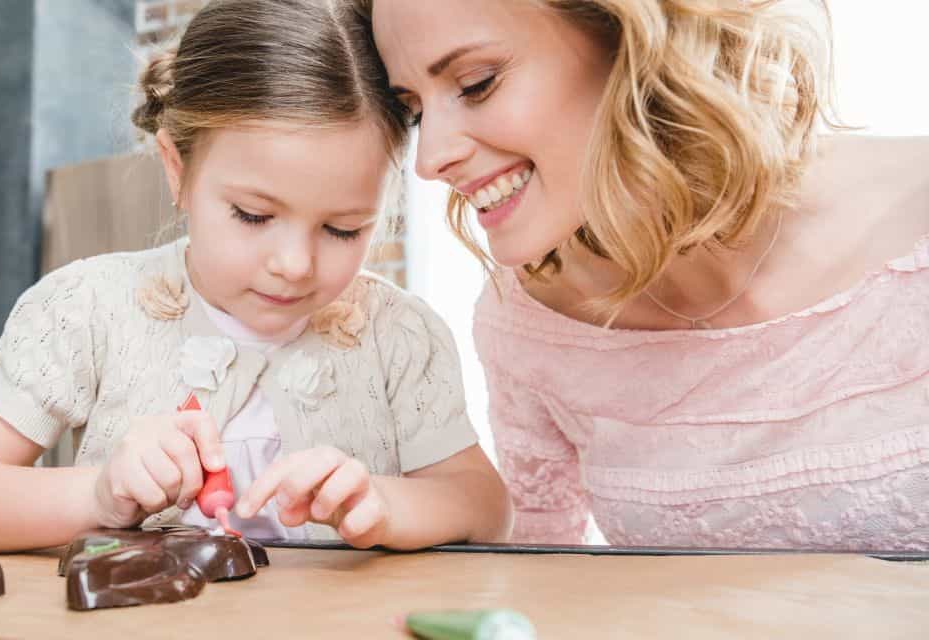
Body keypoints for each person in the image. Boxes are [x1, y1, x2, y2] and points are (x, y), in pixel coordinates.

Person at [0, 0, 510, 552]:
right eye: (254, 215)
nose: (294, 265)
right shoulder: (88, 307)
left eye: (344, 229)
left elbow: (486, 508)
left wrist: (388, 506)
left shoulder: (398, 334)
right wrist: (96, 497)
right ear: (178, 170)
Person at [362, 0, 929, 549]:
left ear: (631, 38)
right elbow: (543, 580)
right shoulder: (529, 321)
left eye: (477, 82)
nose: (429, 159)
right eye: (415, 110)